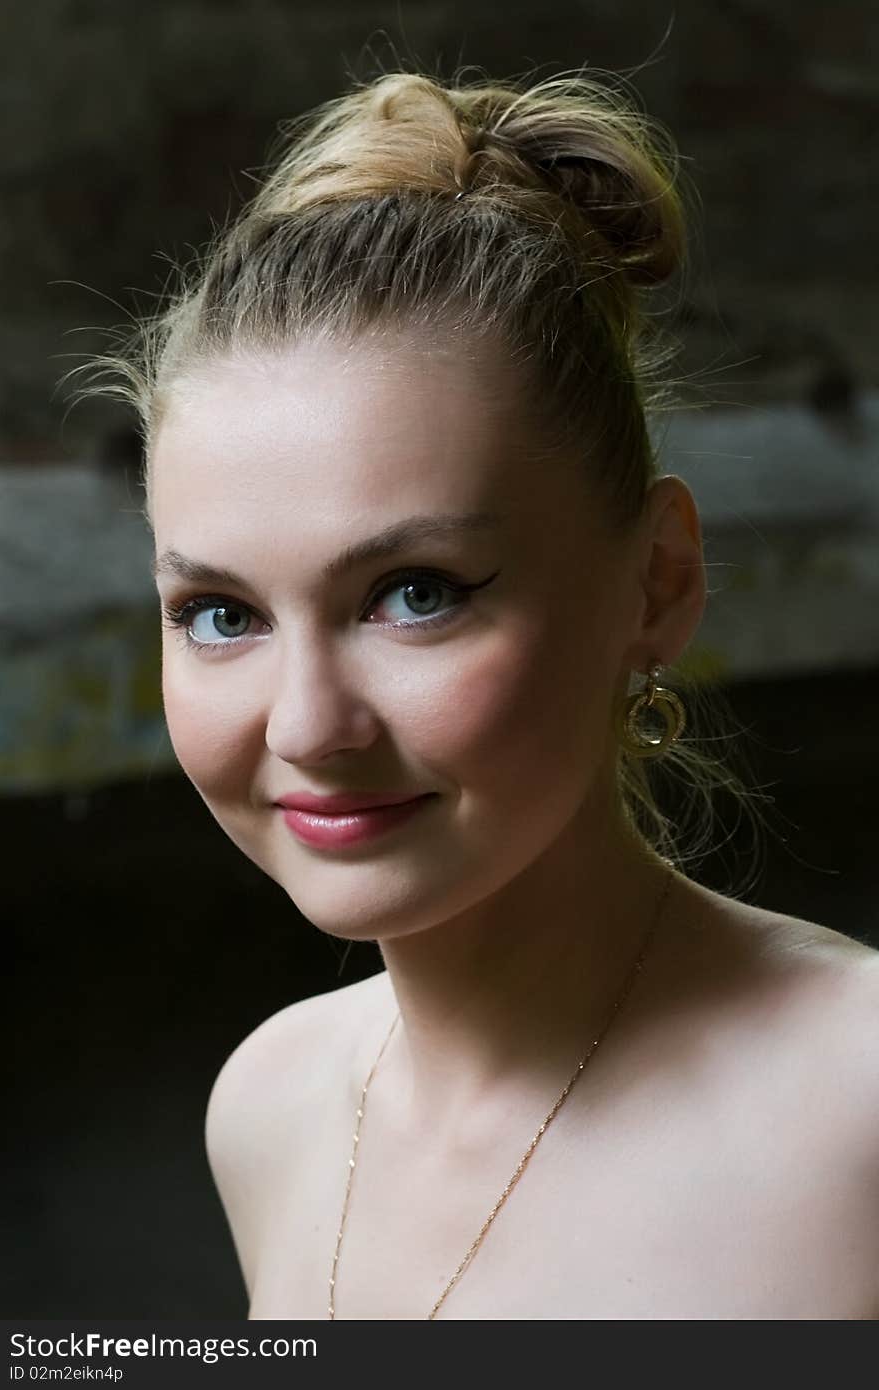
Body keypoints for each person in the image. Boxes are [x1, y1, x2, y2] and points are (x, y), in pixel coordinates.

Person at [74, 66, 878, 1320]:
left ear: (656, 583)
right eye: (221, 614)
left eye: (414, 592)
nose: (305, 727)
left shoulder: (857, 1103)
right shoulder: (270, 1108)